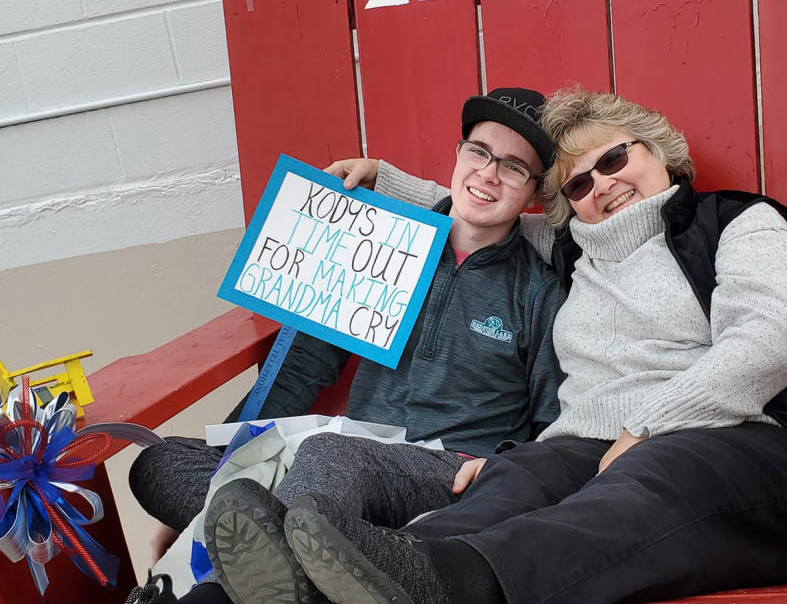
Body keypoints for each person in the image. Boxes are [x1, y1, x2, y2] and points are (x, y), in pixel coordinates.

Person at [276, 87, 787, 604]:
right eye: (578, 184)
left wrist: (646, 428)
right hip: (597, 446)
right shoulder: (570, 248)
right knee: (517, 479)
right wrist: (384, 178)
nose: (601, 184)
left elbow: (765, 349)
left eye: (613, 159)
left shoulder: (738, 223)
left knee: (654, 473)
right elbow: (482, 208)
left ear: (660, 152)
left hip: (756, 446)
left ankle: (455, 582)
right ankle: (342, 583)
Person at [125, 87, 567, 604]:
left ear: (534, 191)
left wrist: (503, 472)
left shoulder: (538, 292)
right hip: (335, 461)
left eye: (514, 168)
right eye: (479, 152)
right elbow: (301, 369)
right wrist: (226, 471)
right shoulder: (385, 244)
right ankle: (336, 563)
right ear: (459, 153)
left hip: (445, 472)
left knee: (328, 458)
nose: (489, 174)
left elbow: (552, 419)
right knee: (160, 462)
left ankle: (219, 594)